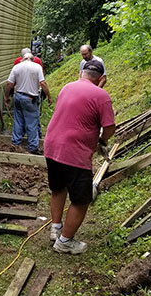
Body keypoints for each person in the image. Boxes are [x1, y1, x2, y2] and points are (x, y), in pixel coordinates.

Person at [44, 59, 116, 254]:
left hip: (52, 146)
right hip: (74, 152)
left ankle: (56, 228)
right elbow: (109, 127)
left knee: (58, 188)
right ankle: (65, 242)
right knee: (81, 200)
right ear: (101, 78)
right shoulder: (101, 96)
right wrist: (101, 141)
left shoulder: (67, 87)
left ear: (81, 73)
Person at [5, 53, 52, 154]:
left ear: (23, 59)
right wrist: (48, 96)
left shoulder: (16, 67)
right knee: (31, 123)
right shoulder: (37, 67)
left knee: (18, 121)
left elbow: (9, 83)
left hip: (18, 96)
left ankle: (16, 144)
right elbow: (43, 83)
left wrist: (6, 97)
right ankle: (33, 147)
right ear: (32, 59)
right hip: (30, 98)